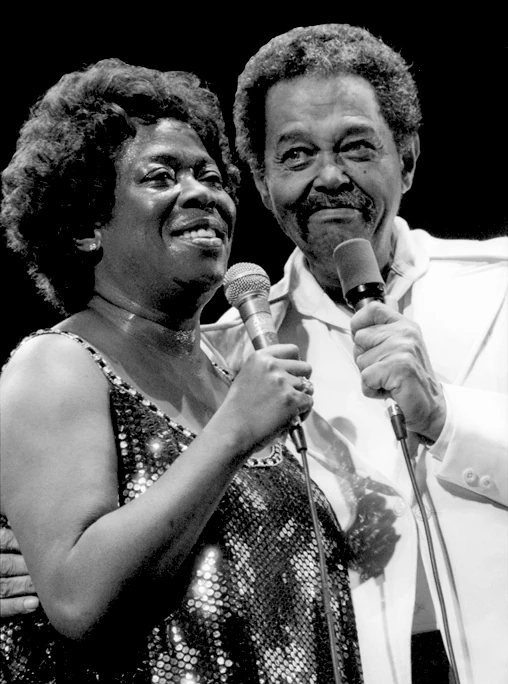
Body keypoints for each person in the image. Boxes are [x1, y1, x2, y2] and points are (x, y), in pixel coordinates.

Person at [0, 58, 365, 683]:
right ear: (87, 225)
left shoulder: (237, 376)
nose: (202, 194)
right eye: (161, 176)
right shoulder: (57, 364)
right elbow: (79, 599)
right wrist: (232, 432)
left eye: (211, 176)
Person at [199, 24, 508, 684]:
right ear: (261, 180)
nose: (329, 176)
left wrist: (448, 417)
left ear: (409, 158)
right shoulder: (226, 358)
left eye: (356, 147)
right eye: (297, 155)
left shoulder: (503, 284)